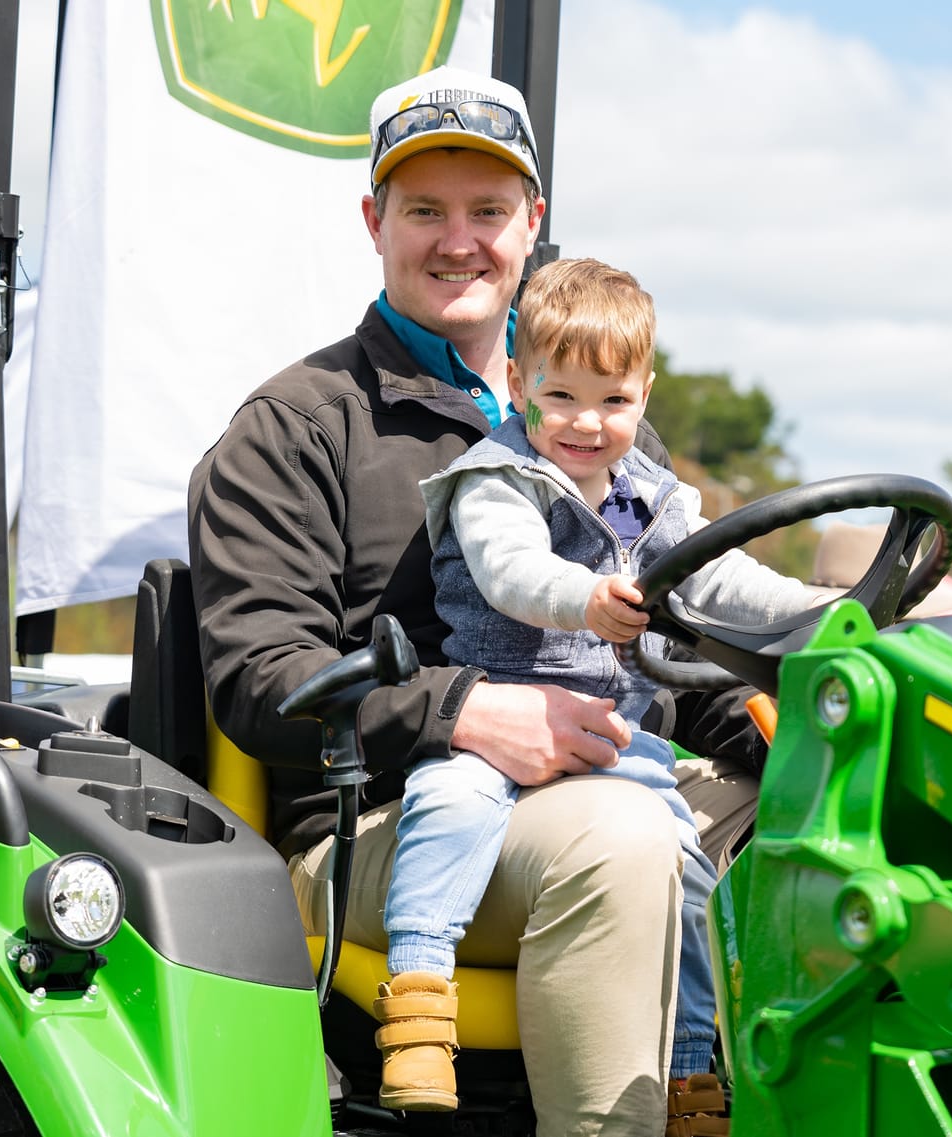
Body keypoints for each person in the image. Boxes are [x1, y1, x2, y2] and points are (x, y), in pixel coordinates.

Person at [188, 66, 764, 1135]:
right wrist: (463, 713)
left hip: (608, 766)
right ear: (374, 222)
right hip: (385, 824)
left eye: (488, 212)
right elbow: (261, 685)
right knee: (622, 838)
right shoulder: (296, 429)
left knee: (840, 827)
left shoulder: (606, 431)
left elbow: (666, 645)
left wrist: (784, 722)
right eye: (425, 212)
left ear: (531, 223)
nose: (460, 241)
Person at [379, 258, 810, 1113]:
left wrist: (827, 615)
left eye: (613, 401)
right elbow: (511, 572)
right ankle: (419, 1000)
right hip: (493, 715)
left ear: (643, 393)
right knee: (449, 801)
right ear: (517, 381)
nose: (587, 423)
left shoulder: (649, 497)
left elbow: (723, 581)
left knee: (684, 872)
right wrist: (585, 599)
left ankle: (692, 1070)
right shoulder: (495, 479)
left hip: (614, 739)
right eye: (562, 396)